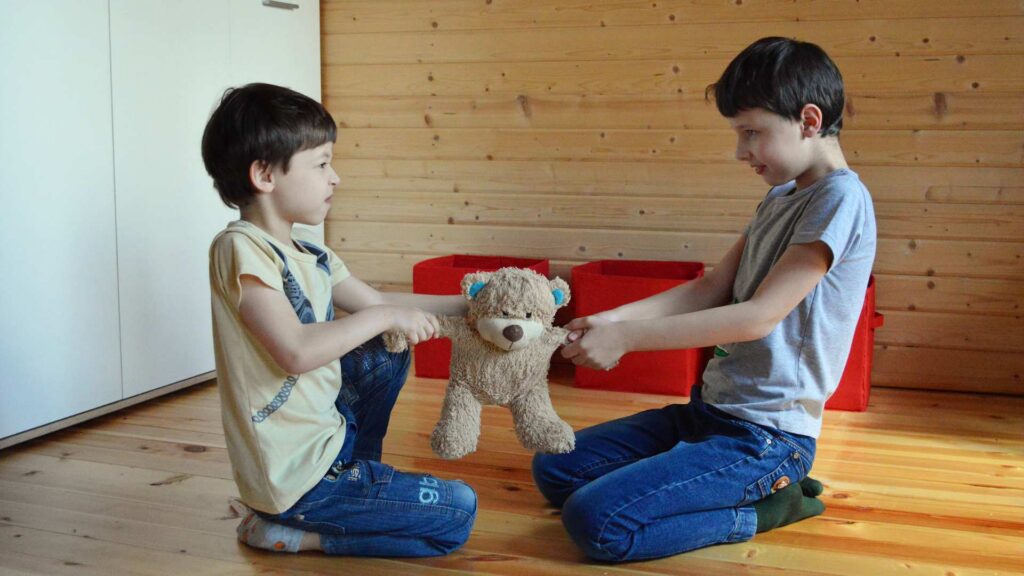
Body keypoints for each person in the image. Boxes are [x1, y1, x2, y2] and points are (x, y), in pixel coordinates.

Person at [534, 37, 877, 562]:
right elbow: (709, 288)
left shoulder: (841, 198)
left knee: (596, 522)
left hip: (766, 438)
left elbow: (758, 317)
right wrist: (611, 317)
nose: (741, 151)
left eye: (752, 133)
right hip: (709, 413)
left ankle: (767, 507)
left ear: (810, 120)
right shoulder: (781, 196)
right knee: (555, 467)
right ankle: (695, 481)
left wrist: (627, 338)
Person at [202, 83, 476, 557]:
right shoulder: (240, 248)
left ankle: (356, 478)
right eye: (323, 163)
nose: (336, 178)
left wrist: (472, 306)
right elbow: (295, 351)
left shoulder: (311, 251)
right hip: (293, 479)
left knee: (386, 352)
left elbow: (377, 303)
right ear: (265, 174)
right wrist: (388, 314)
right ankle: (299, 532)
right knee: (457, 514)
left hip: (330, 440)